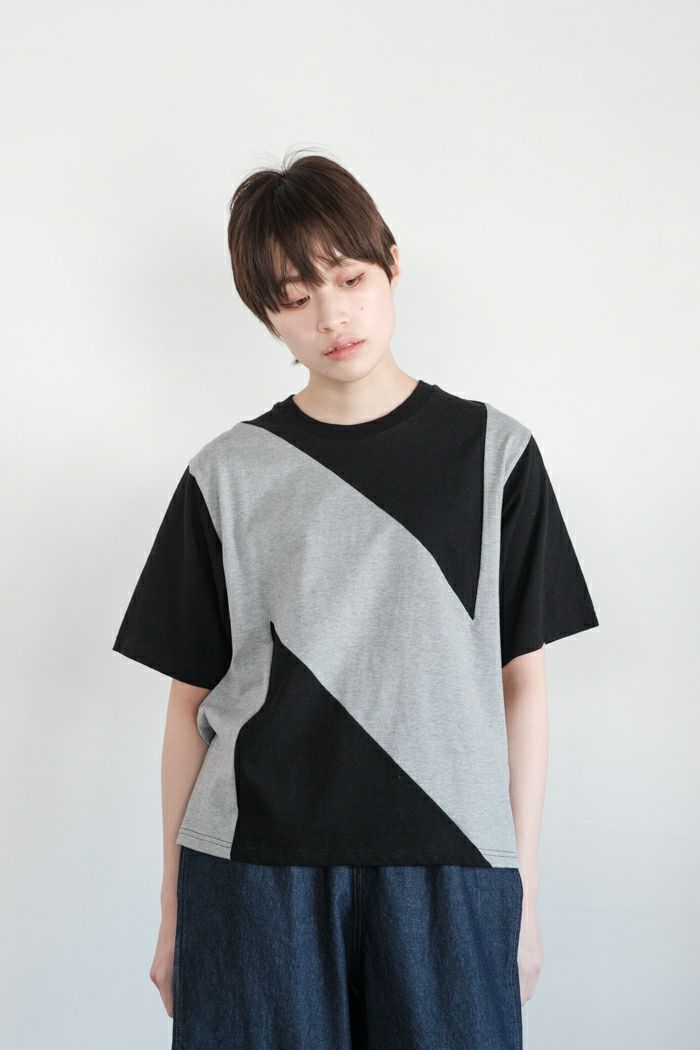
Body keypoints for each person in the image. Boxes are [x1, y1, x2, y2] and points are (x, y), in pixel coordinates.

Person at [112, 149, 600, 1049]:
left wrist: (522, 892)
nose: (332, 316)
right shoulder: (227, 474)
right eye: (296, 297)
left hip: (452, 868)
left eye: (349, 278)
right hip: (254, 871)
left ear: (392, 266)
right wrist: (174, 911)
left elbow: (523, 681)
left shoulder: (495, 457)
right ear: (267, 316)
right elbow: (188, 704)